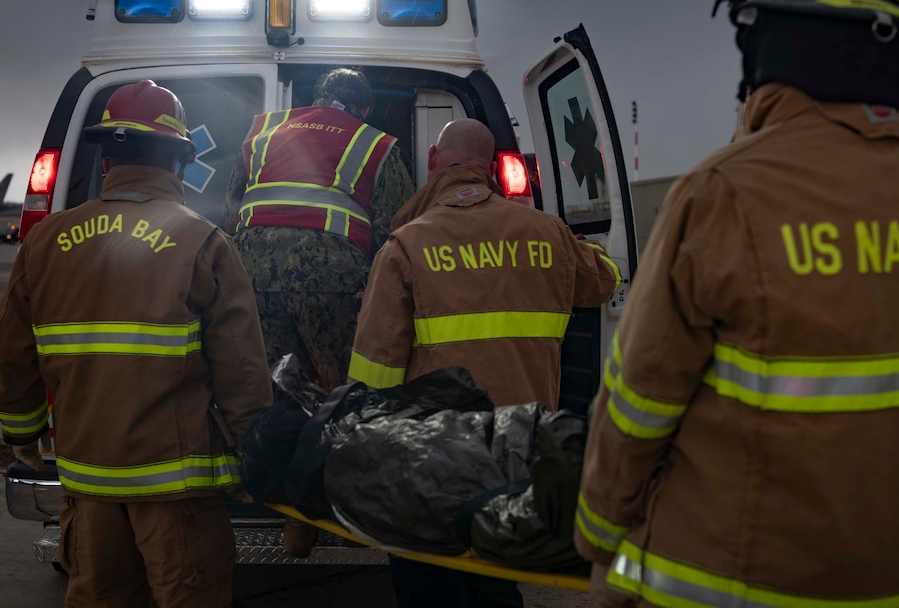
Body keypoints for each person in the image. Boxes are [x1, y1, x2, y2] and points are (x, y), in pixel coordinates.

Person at [575, 0, 899, 608]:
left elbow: (639, 401)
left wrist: (598, 543)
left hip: (732, 587)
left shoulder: (722, 193)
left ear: (770, 40)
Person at [0, 80, 273, 607]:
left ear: (106, 162)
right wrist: (254, 456)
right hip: (177, 491)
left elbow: (14, 357)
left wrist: (23, 435)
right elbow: (241, 372)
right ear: (178, 163)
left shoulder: (45, 241)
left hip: (88, 483)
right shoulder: (203, 242)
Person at [349, 118, 621, 607]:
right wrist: (584, 250)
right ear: (491, 164)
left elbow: (376, 368)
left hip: (435, 445)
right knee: (497, 567)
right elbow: (602, 282)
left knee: (425, 569)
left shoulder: (406, 245)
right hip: (521, 440)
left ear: (434, 162)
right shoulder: (548, 235)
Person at [223, 66, 414, 557]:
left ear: (314, 98)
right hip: (330, 277)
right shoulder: (375, 143)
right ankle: (320, 513)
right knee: (338, 393)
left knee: (271, 389)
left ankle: (263, 493)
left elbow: (232, 209)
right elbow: (397, 227)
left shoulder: (262, 130)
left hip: (255, 273)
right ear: (365, 107)